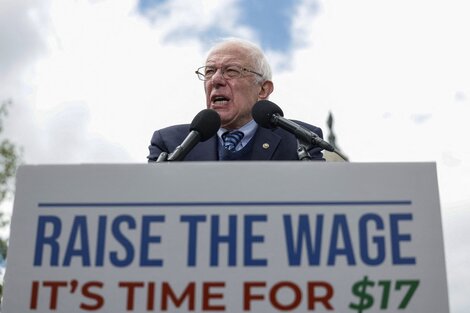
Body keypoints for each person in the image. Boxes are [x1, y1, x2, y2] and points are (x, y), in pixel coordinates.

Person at [147, 38, 324, 161]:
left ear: (263, 89)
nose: (215, 80)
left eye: (231, 71)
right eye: (209, 71)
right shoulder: (169, 143)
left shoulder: (300, 140)